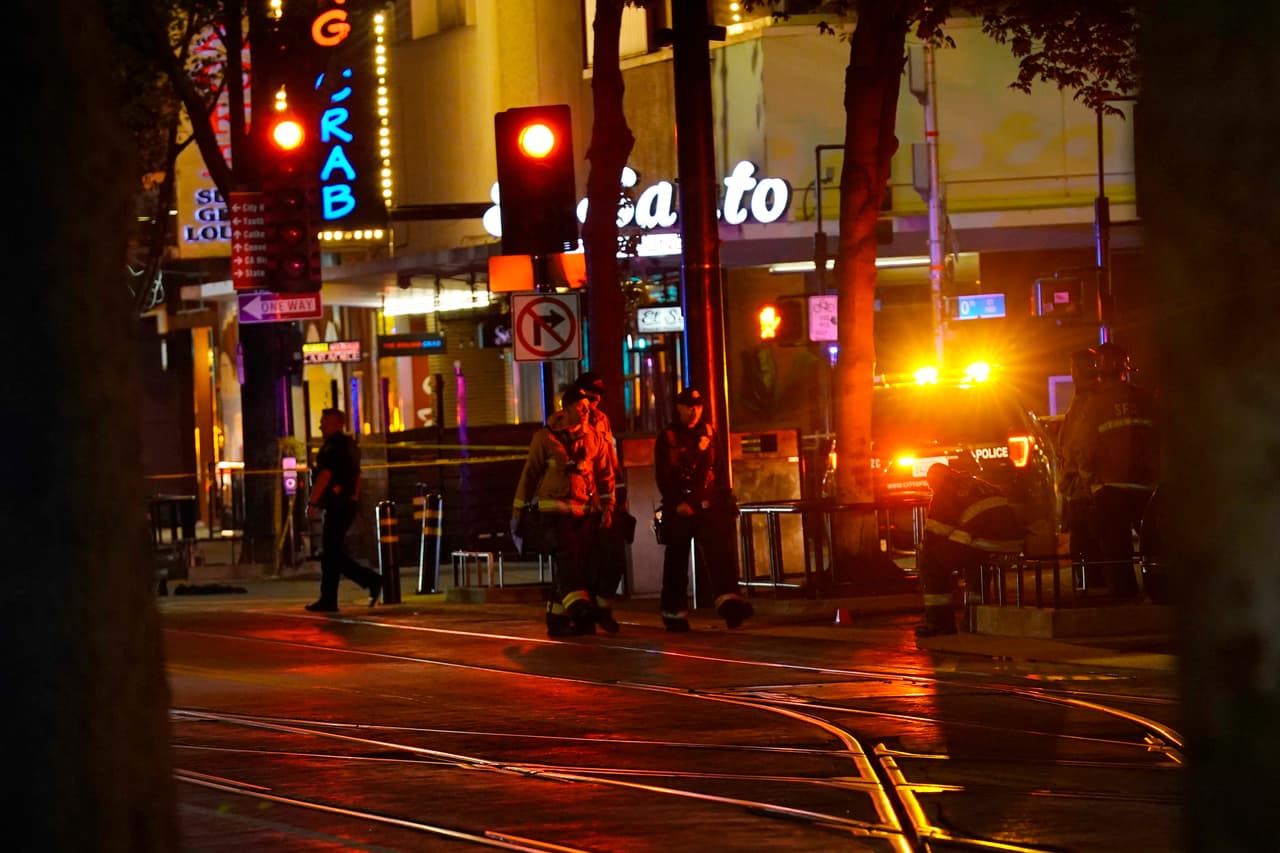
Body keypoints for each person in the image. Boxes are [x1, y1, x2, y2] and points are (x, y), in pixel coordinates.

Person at [512, 387, 616, 636]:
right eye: (580, 407)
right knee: (568, 557)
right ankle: (580, 609)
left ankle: (556, 618)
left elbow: (605, 475)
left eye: (588, 408)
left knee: (580, 564)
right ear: (565, 408)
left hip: (583, 511)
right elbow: (530, 474)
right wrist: (517, 511)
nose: (585, 412)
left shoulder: (593, 438)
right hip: (553, 511)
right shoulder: (545, 438)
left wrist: (608, 506)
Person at [1063, 342, 1160, 601]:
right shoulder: (1146, 399)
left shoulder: (1094, 404)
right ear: (1126, 369)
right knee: (1156, 545)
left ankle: (1125, 599)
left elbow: (1082, 447)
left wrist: (1087, 482)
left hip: (1109, 489)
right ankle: (1161, 593)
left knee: (1115, 549)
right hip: (1147, 490)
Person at [654, 387, 753, 632]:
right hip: (680, 509)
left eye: (697, 406)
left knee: (720, 556)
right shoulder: (668, 437)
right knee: (676, 562)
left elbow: (718, 470)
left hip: (708, 506)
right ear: (678, 408)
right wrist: (677, 502)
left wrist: (725, 497)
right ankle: (673, 613)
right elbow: (663, 476)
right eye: (688, 406)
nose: (693, 411)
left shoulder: (709, 432)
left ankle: (730, 605)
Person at [917, 462, 1025, 637]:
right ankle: (974, 619)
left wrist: (926, 552)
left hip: (982, 542)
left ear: (935, 481)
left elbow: (936, 533)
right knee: (975, 564)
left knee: (932, 562)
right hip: (1011, 544)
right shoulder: (980, 484)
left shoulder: (945, 490)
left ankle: (939, 623)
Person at [305, 408, 381, 612]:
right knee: (331, 553)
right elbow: (357, 474)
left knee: (331, 553)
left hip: (336, 505)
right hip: (346, 504)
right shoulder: (349, 445)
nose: (320, 425)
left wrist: (312, 503)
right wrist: (354, 496)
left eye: (324, 421)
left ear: (336, 423)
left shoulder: (331, 447)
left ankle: (370, 580)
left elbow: (325, 476)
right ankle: (329, 598)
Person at [572, 371, 631, 634]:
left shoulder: (603, 422)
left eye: (598, 398)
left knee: (614, 557)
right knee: (585, 561)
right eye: (590, 397)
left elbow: (610, 461)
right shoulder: (569, 423)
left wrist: (619, 497)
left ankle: (603, 606)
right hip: (581, 502)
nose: (595, 402)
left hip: (606, 499)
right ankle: (583, 615)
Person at [1056, 348, 1102, 584]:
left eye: (1074, 367)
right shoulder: (1083, 398)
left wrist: (1082, 478)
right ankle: (1089, 581)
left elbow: (1083, 442)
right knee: (1083, 536)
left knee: (1087, 537)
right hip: (1080, 484)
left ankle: (1092, 583)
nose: (1071, 372)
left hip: (1085, 486)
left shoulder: (1091, 399)